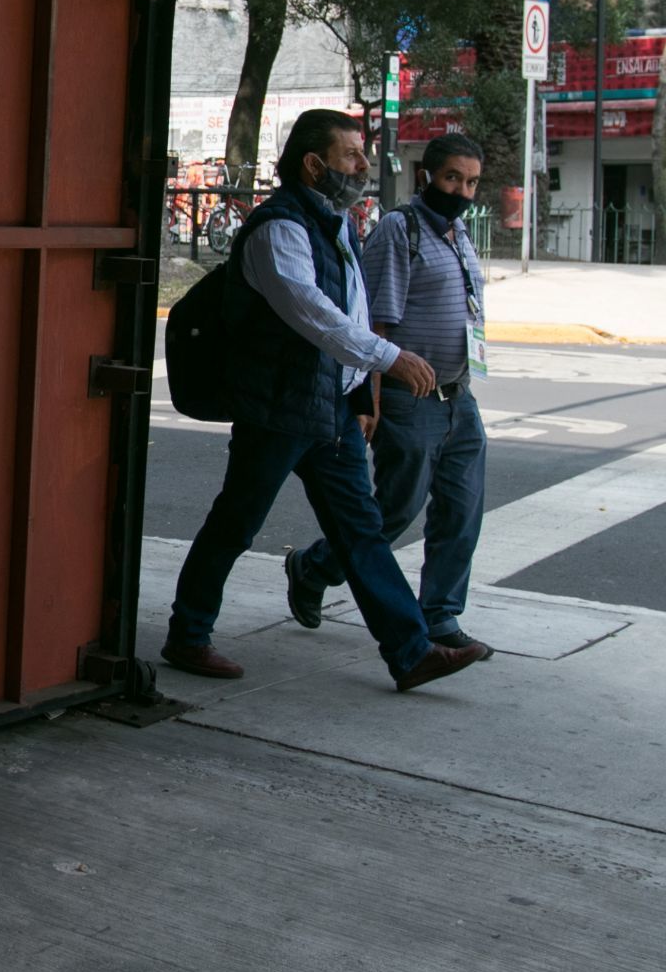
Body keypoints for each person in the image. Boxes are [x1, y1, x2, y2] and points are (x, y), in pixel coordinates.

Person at [162, 109, 487, 692]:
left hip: (329, 409)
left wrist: (360, 394)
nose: (364, 166)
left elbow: (352, 312)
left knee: (362, 531)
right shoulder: (279, 229)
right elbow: (314, 314)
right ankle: (188, 634)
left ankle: (411, 651)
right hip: (278, 408)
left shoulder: (337, 223)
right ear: (314, 165)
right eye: (352, 156)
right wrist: (390, 360)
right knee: (237, 523)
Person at [283, 135, 491, 655]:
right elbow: (373, 322)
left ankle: (440, 616)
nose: (462, 191)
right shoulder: (403, 230)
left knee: (462, 510)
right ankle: (314, 567)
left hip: (458, 397)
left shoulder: (460, 233)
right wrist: (370, 400)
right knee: (396, 509)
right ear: (426, 176)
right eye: (453, 179)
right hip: (409, 397)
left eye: (471, 182)